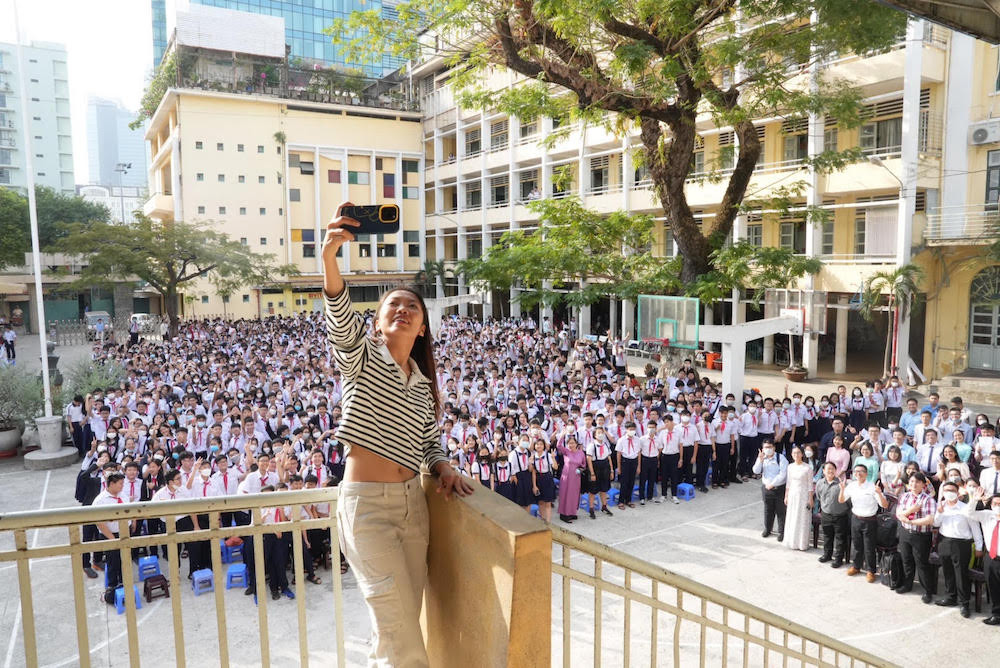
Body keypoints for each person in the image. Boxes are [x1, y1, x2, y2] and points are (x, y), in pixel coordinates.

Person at [322, 202, 473, 667]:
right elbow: (341, 327)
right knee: (404, 642)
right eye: (394, 305)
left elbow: (429, 442)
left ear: (423, 326)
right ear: (378, 321)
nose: (403, 309)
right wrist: (329, 259)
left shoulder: (423, 382)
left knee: (397, 628)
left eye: (412, 306)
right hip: (368, 509)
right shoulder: (361, 357)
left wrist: (443, 466)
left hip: (414, 507)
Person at [934, 480, 983, 618]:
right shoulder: (941, 506)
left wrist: (979, 546)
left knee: (961, 574)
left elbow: (975, 528)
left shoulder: (965, 508)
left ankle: (964, 603)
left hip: (961, 544)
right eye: (946, 490)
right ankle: (950, 597)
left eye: (952, 490)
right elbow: (936, 523)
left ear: (958, 493)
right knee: (948, 572)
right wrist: (940, 512)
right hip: (944, 541)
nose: (949, 493)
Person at [839, 463, 889, 583]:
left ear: (866, 474)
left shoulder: (872, 487)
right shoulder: (851, 486)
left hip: (870, 520)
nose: (858, 474)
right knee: (857, 545)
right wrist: (842, 490)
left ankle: (871, 570)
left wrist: (879, 493)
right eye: (856, 472)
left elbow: (885, 505)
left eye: (861, 471)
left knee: (869, 547)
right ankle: (856, 566)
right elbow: (841, 500)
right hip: (856, 518)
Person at [895, 471, 937, 604]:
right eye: (912, 481)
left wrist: (910, 521)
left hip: (921, 535)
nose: (914, 484)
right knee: (906, 560)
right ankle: (908, 584)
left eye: (917, 482)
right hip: (905, 532)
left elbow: (929, 520)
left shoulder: (928, 499)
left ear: (924, 485)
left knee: (922, 563)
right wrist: (911, 511)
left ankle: (927, 591)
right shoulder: (904, 496)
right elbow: (899, 514)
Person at [966, 487, 1000, 625]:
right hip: (991, 558)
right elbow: (969, 513)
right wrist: (974, 499)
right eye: (995, 504)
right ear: (991, 505)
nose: (998, 506)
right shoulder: (987, 515)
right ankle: (996, 614)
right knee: (993, 587)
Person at [92, 472, 130, 591]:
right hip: (110, 535)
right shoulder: (100, 501)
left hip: (124, 532)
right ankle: (113, 586)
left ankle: (124, 582)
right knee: (113, 561)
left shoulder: (122, 495)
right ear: (111, 484)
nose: (122, 486)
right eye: (120, 484)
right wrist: (112, 538)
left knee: (124, 559)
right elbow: (100, 523)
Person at [815, 462, 850, 567]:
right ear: (824, 471)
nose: (830, 471)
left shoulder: (841, 483)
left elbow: (848, 500)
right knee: (827, 536)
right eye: (828, 469)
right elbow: (818, 496)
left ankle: (838, 558)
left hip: (840, 515)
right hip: (826, 514)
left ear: (836, 471)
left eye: (832, 469)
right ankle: (827, 555)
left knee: (840, 538)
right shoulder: (820, 483)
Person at [752, 440, 787, 541]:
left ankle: (782, 532)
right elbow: (756, 471)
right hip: (766, 488)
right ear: (762, 449)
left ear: (774, 448)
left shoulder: (780, 458)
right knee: (768, 510)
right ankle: (768, 529)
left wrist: (773, 484)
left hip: (778, 488)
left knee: (780, 511)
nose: (768, 449)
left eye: (770, 447)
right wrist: (760, 460)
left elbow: (783, 474)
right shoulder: (763, 458)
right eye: (766, 447)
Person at [783, 446, 814, 551]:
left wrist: (810, 499)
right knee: (792, 516)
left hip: (803, 494)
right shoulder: (790, 467)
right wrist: (786, 496)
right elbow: (788, 482)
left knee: (802, 517)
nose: (796, 455)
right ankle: (791, 541)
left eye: (798, 453)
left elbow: (810, 485)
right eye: (794, 453)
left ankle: (802, 543)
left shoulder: (808, 468)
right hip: (792, 494)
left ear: (802, 454)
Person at [556, 435, 586, 522]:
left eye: (573, 443)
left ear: (576, 444)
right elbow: (558, 445)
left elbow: (584, 464)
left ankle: (572, 512)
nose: (571, 445)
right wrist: (562, 435)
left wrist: (580, 470)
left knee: (574, 495)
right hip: (566, 476)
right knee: (565, 494)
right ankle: (564, 514)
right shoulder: (566, 451)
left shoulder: (581, 453)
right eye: (569, 443)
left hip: (576, 477)